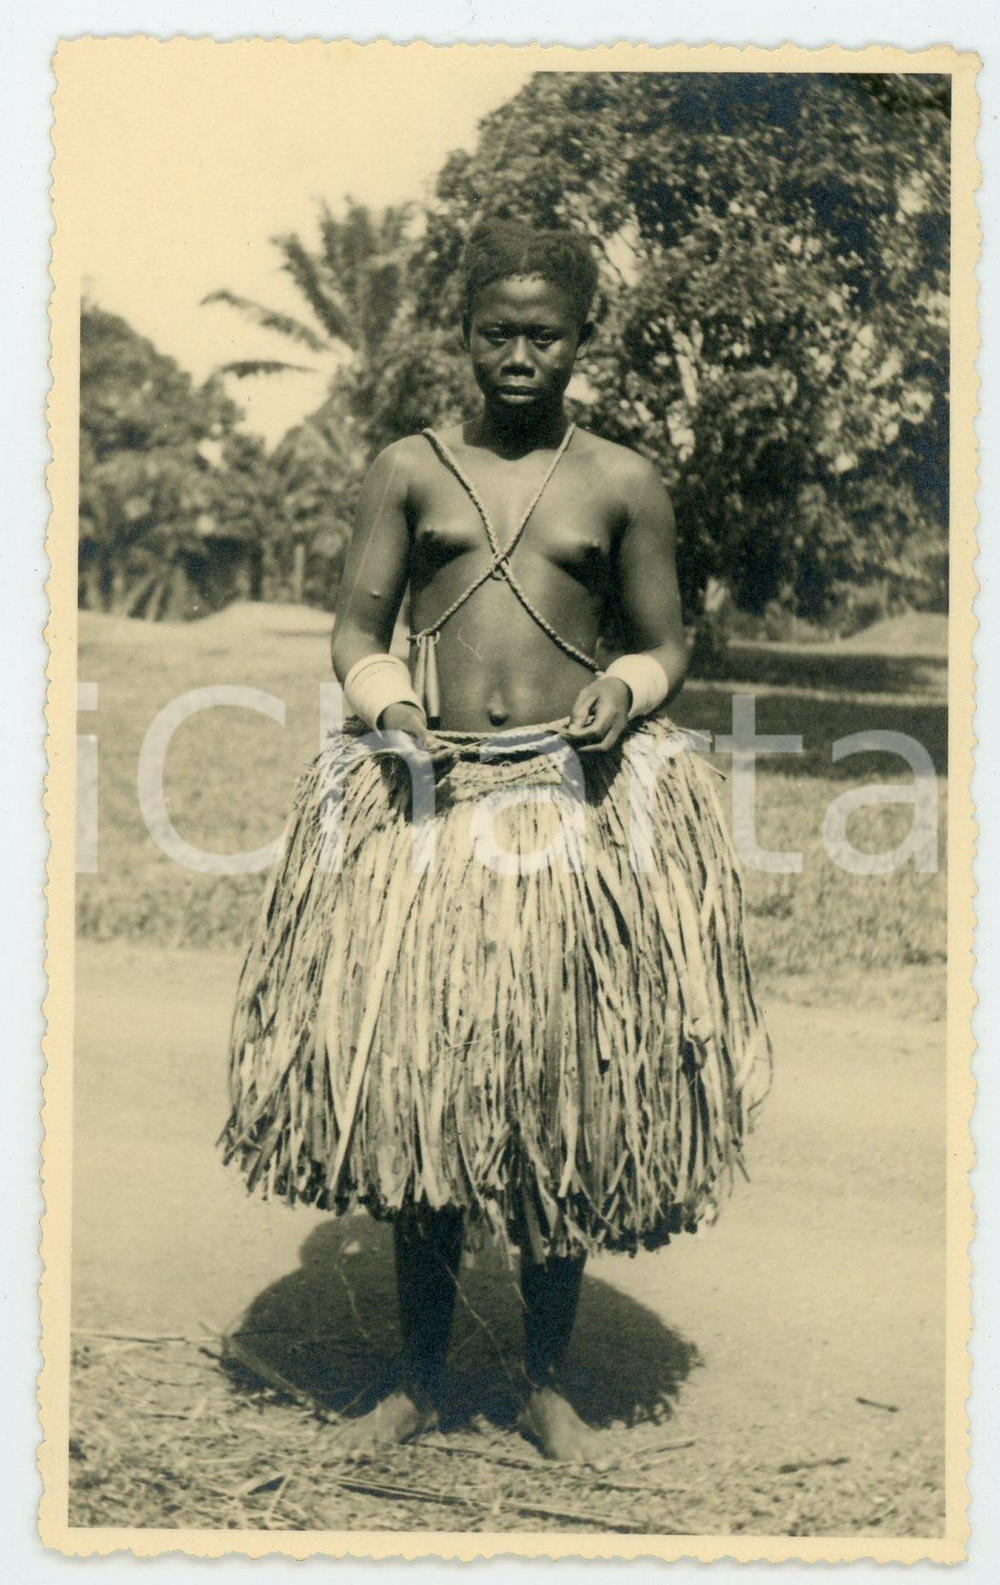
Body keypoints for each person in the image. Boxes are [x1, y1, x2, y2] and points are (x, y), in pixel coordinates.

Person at [222, 218, 771, 1464]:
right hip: (431, 805)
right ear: (463, 334)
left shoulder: (622, 480)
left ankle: (543, 1381)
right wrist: (393, 709)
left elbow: (667, 643)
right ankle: (413, 1378)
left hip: (572, 813)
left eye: (547, 332)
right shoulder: (407, 467)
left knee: (554, 1096)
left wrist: (624, 692)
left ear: (582, 339)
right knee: (429, 1096)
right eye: (497, 331)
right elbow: (354, 629)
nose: (521, 353)